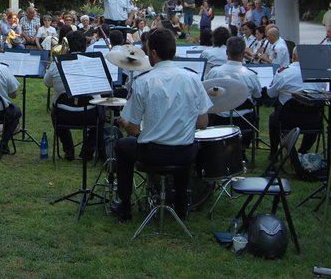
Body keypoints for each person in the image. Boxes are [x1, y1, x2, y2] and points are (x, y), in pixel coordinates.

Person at [112, 28, 212, 222]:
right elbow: (203, 123)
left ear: (154, 53)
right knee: (185, 146)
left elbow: (133, 129)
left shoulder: (143, 82)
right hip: (185, 153)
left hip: (152, 154)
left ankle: (125, 208)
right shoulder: (193, 79)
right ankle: (181, 207)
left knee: (122, 146)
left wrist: (124, 122)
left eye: (148, 50)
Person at [44, 30, 104, 161]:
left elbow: (47, 82)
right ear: (85, 45)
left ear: (67, 46)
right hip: (89, 114)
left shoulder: (56, 63)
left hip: (63, 114)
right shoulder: (94, 63)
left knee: (56, 112)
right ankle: (88, 151)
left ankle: (68, 149)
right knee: (102, 115)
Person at [204, 36, 261, 150]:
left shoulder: (214, 72)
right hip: (244, 121)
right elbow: (257, 95)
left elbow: (206, 94)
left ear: (227, 52)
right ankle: (242, 148)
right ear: (244, 52)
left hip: (220, 120)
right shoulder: (250, 75)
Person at [266, 48, 323, 159]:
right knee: (319, 115)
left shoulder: (283, 72)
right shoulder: (316, 73)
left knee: (273, 118)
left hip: (287, 120)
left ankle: (273, 152)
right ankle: (303, 150)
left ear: (294, 56)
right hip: (312, 120)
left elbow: (270, 93)